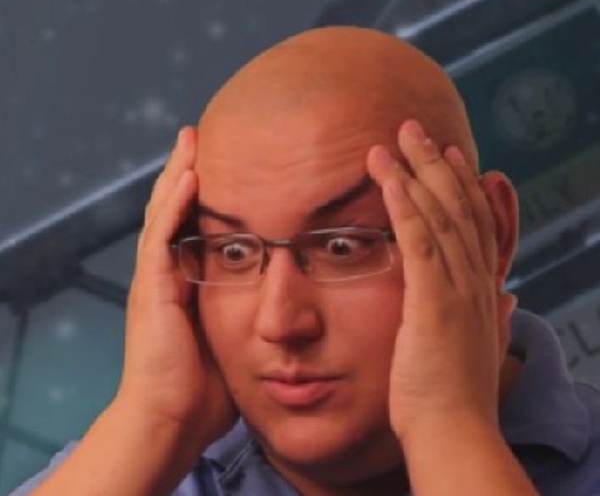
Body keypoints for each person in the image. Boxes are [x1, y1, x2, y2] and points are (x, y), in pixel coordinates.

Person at [12, 27, 600, 496]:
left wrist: (446, 423)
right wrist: (154, 419)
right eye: (234, 252)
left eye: (342, 247)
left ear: (492, 233)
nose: (281, 322)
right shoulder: (131, 467)